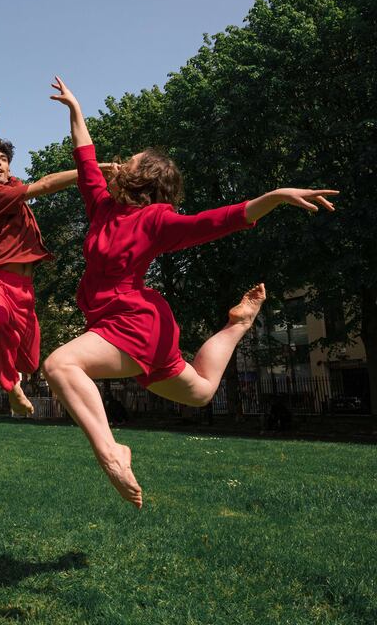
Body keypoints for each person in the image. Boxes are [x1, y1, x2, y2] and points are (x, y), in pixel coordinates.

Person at [44, 76, 337, 508]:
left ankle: (112, 452)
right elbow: (85, 156)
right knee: (200, 392)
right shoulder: (102, 206)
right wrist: (75, 109)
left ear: (145, 177)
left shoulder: (157, 221)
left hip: (132, 322)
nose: (120, 162)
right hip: (116, 321)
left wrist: (274, 196)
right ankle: (239, 324)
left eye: (131, 161)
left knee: (60, 364)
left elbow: (216, 221)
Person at [0, 91, 116, 417]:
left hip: (23, 290)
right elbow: (46, 184)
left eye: (3, 159)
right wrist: (93, 169)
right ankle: (11, 386)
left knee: (30, 360)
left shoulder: (8, 184)